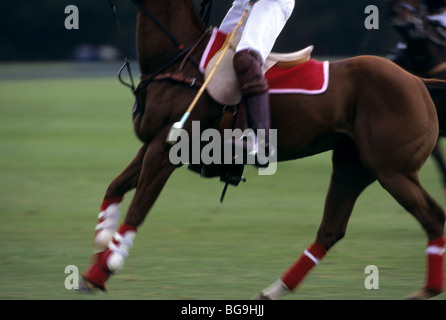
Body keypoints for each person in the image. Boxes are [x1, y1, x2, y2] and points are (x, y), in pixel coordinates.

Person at [219, 0, 295, 166]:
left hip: (271, 2)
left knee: (246, 58)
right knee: (214, 52)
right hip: (244, 2)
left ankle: (260, 142)